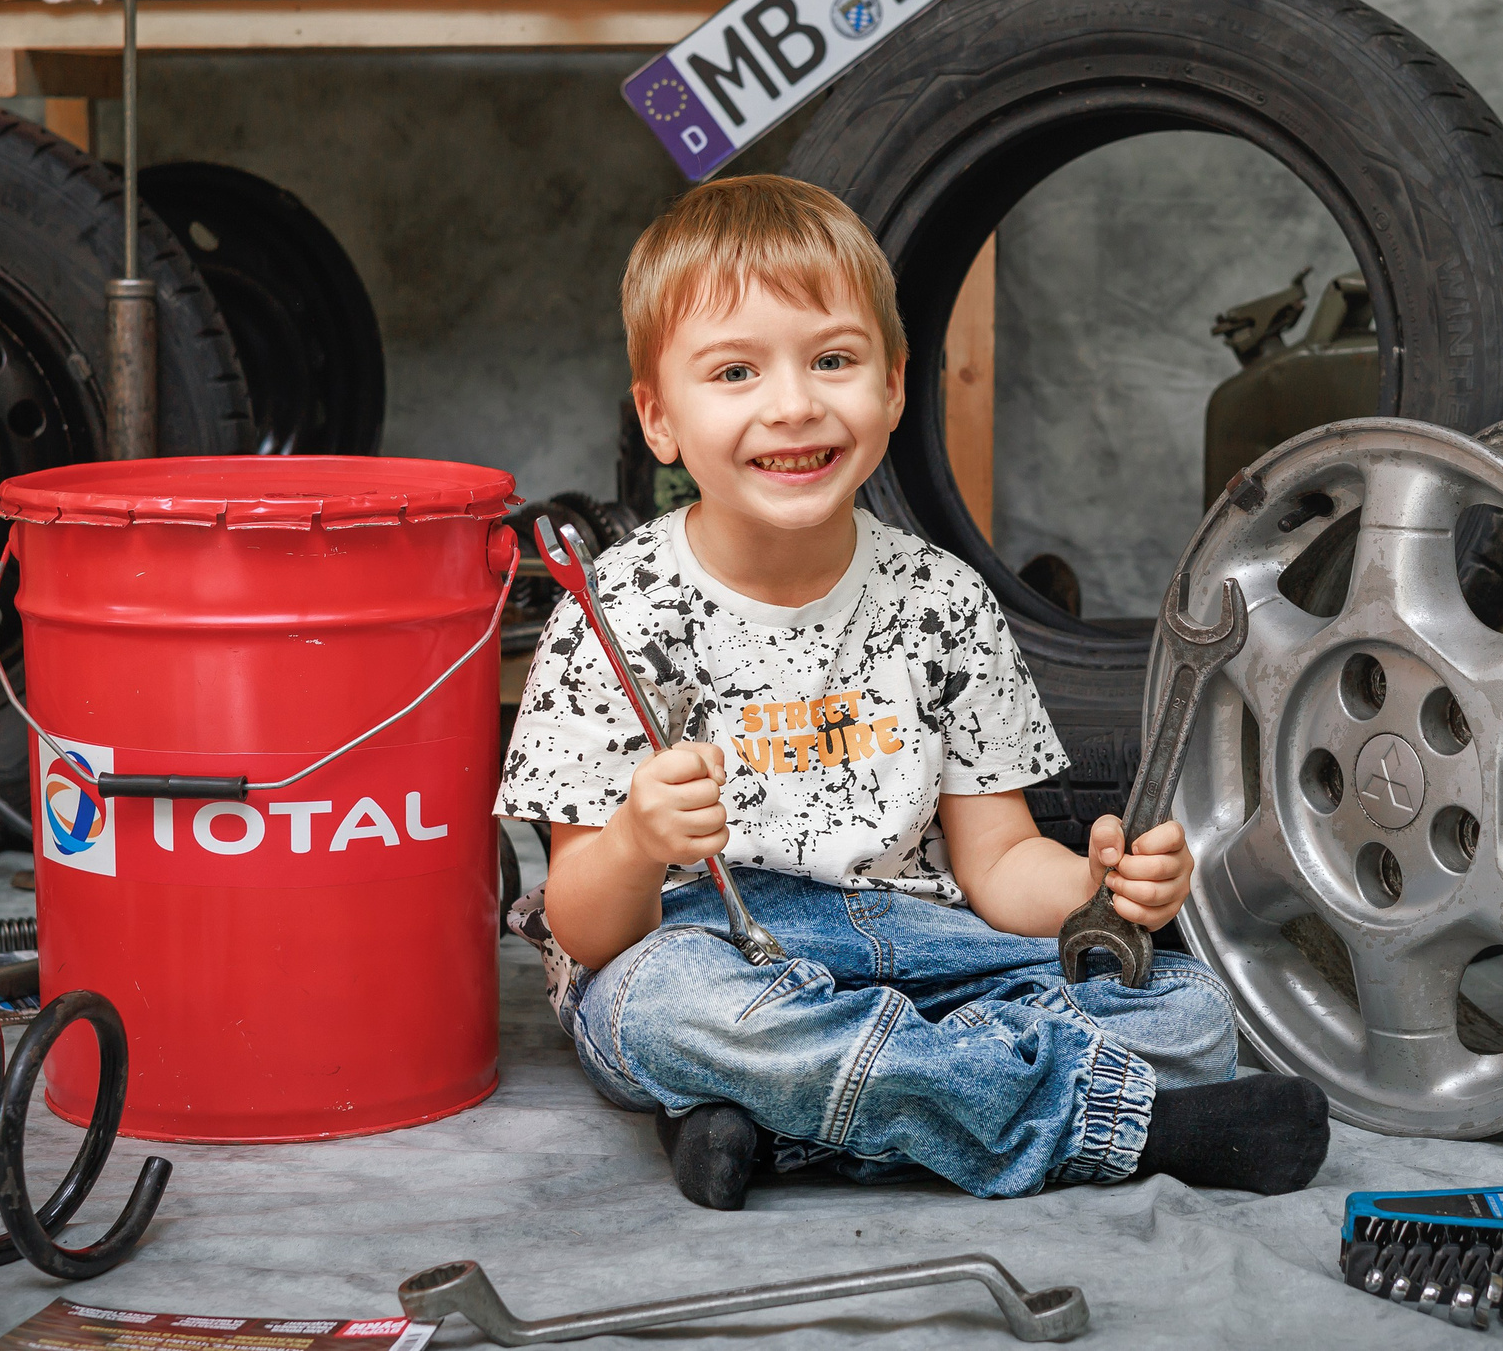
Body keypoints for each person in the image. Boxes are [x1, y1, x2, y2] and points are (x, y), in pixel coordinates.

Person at [496, 174, 1330, 1209]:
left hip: (923, 943)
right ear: (659, 417)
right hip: (704, 950)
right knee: (669, 1018)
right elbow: (587, 931)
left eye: (833, 360)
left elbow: (998, 865)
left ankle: (792, 1120)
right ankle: (1108, 1122)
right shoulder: (611, 612)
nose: (793, 402)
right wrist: (633, 837)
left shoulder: (941, 599)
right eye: (736, 370)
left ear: (892, 387)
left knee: (1186, 1007)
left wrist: (1093, 890)